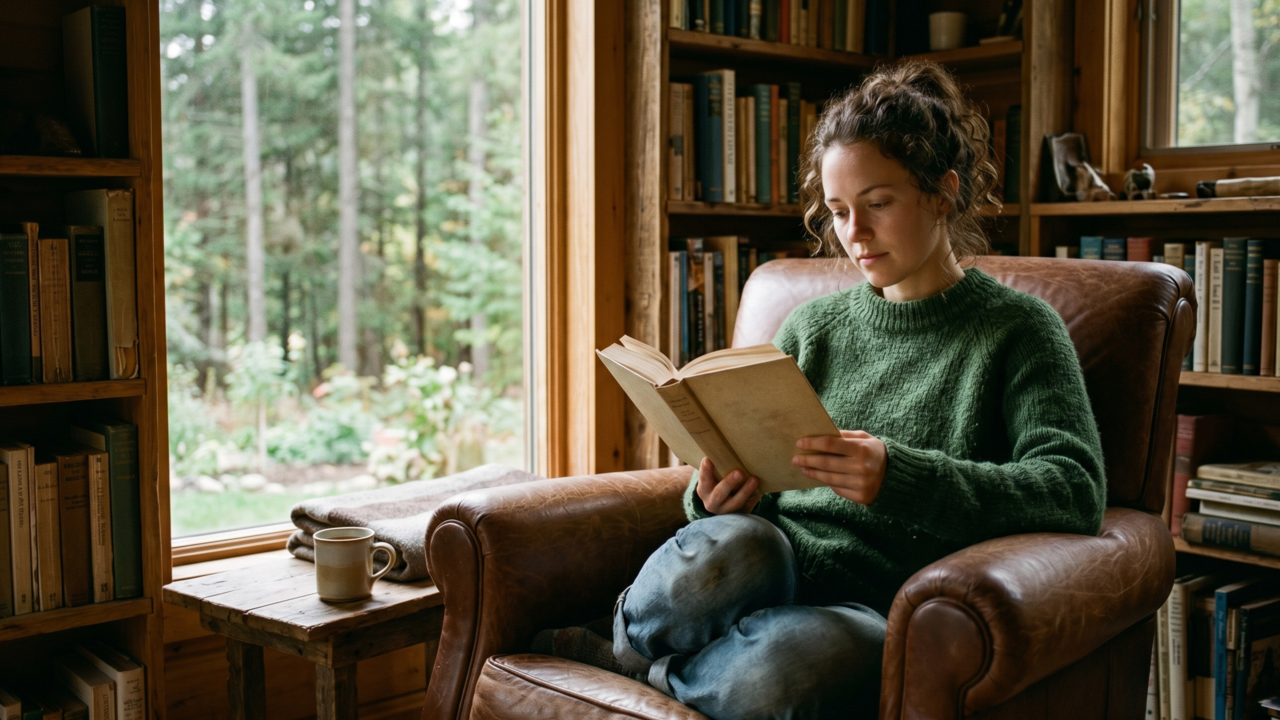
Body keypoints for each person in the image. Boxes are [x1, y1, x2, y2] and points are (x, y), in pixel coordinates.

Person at [536, 59, 1107, 720]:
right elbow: (748, 478)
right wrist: (714, 495)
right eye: (838, 211)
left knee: (809, 658)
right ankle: (626, 646)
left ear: (943, 193)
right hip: (769, 563)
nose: (854, 234)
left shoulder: (1018, 332)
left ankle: (653, 678)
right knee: (737, 545)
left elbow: (1075, 490)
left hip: (872, 607)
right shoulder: (814, 327)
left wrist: (900, 475)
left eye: (878, 204)